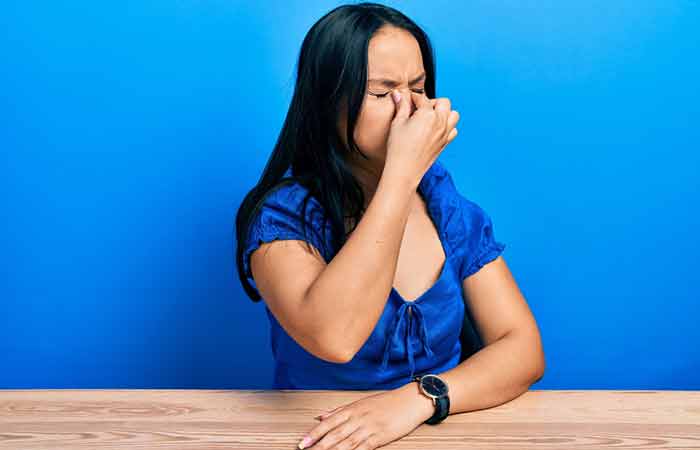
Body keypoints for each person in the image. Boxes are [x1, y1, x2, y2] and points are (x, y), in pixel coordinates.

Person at [234, 2, 545, 448]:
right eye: (383, 93)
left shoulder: (448, 209)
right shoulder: (283, 218)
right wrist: (401, 173)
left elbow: (523, 349)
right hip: (319, 435)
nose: (411, 107)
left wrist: (416, 400)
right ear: (328, 104)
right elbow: (335, 338)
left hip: (440, 430)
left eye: (418, 87)